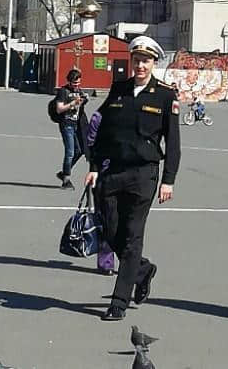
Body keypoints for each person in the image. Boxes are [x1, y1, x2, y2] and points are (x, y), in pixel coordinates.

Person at [85, 35, 181, 321]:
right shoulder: (118, 89)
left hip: (143, 175)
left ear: (153, 64)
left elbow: (173, 143)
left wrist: (169, 180)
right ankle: (142, 270)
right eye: (137, 60)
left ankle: (118, 302)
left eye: (146, 61)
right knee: (111, 231)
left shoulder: (165, 95)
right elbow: (102, 132)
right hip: (112, 171)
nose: (141, 66)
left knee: (132, 237)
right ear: (131, 62)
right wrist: (92, 165)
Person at [86, 110, 116, 276]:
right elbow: (91, 144)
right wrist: (94, 169)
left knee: (127, 224)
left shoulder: (131, 112)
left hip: (128, 174)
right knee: (105, 220)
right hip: (104, 174)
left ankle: (130, 263)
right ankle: (106, 262)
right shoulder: (99, 116)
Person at [55, 69, 89, 189]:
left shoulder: (79, 91)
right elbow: (59, 109)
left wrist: (84, 100)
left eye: (79, 83)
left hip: (77, 124)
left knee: (79, 150)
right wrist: (73, 103)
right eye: (74, 83)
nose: (77, 85)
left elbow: (80, 107)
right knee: (70, 152)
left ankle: (64, 171)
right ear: (69, 82)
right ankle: (66, 180)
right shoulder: (63, 92)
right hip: (66, 124)